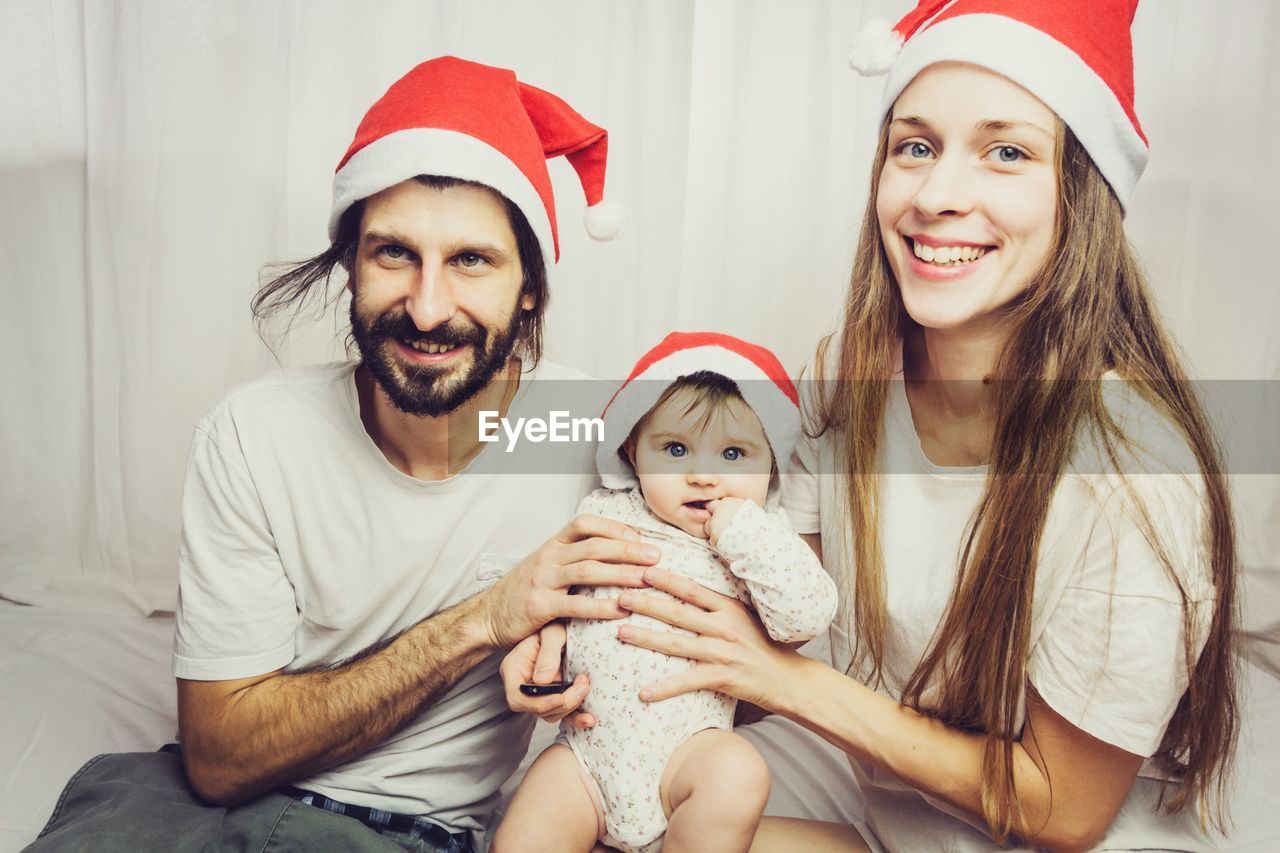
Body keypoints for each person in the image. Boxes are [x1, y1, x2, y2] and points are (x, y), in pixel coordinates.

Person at [504, 2, 1240, 850]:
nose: (936, 195)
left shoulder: (1138, 469)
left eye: (1007, 152)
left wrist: (790, 684)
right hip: (885, 806)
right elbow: (765, 604)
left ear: (1081, 194)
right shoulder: (848, 379)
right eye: (915, 146)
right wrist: (574, 640)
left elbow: (1064, 808)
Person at [29, 56, 651, 853]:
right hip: (186, 808)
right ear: (350, 263)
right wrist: (484, 619)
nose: (428, 308)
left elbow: (729, 626)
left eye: (471, 260)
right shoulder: (256, 434)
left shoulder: (590, 431)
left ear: (529, 284)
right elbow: (218, 756)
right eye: (395, 253)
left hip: (395, 833)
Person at [494, 333, 837, 853]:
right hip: (587, 756)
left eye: (734, 454)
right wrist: (544, 639)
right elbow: (560, 591)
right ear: (633, 449)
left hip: (686, 752)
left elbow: (805, 617)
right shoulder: (607, 512)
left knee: (739, 773)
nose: (704, 476)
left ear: (771, 464)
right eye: (675, 450)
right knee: (522, 833)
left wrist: (741, 532)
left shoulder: (764, 536)